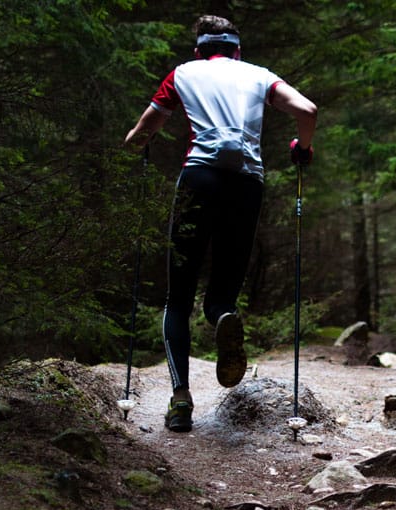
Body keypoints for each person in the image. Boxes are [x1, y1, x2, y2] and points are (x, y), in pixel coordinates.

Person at [124, 15, 317, 433]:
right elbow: (307, 110)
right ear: (238, 51)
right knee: (223, 293)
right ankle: (222, 317)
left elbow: (146, 128)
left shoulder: (183, 73)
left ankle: (180, 401)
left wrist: (136, 141)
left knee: (178, 296)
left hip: (199, 179)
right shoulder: (259, 75)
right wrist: (303, 146)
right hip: (247, 184)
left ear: (199, 50)